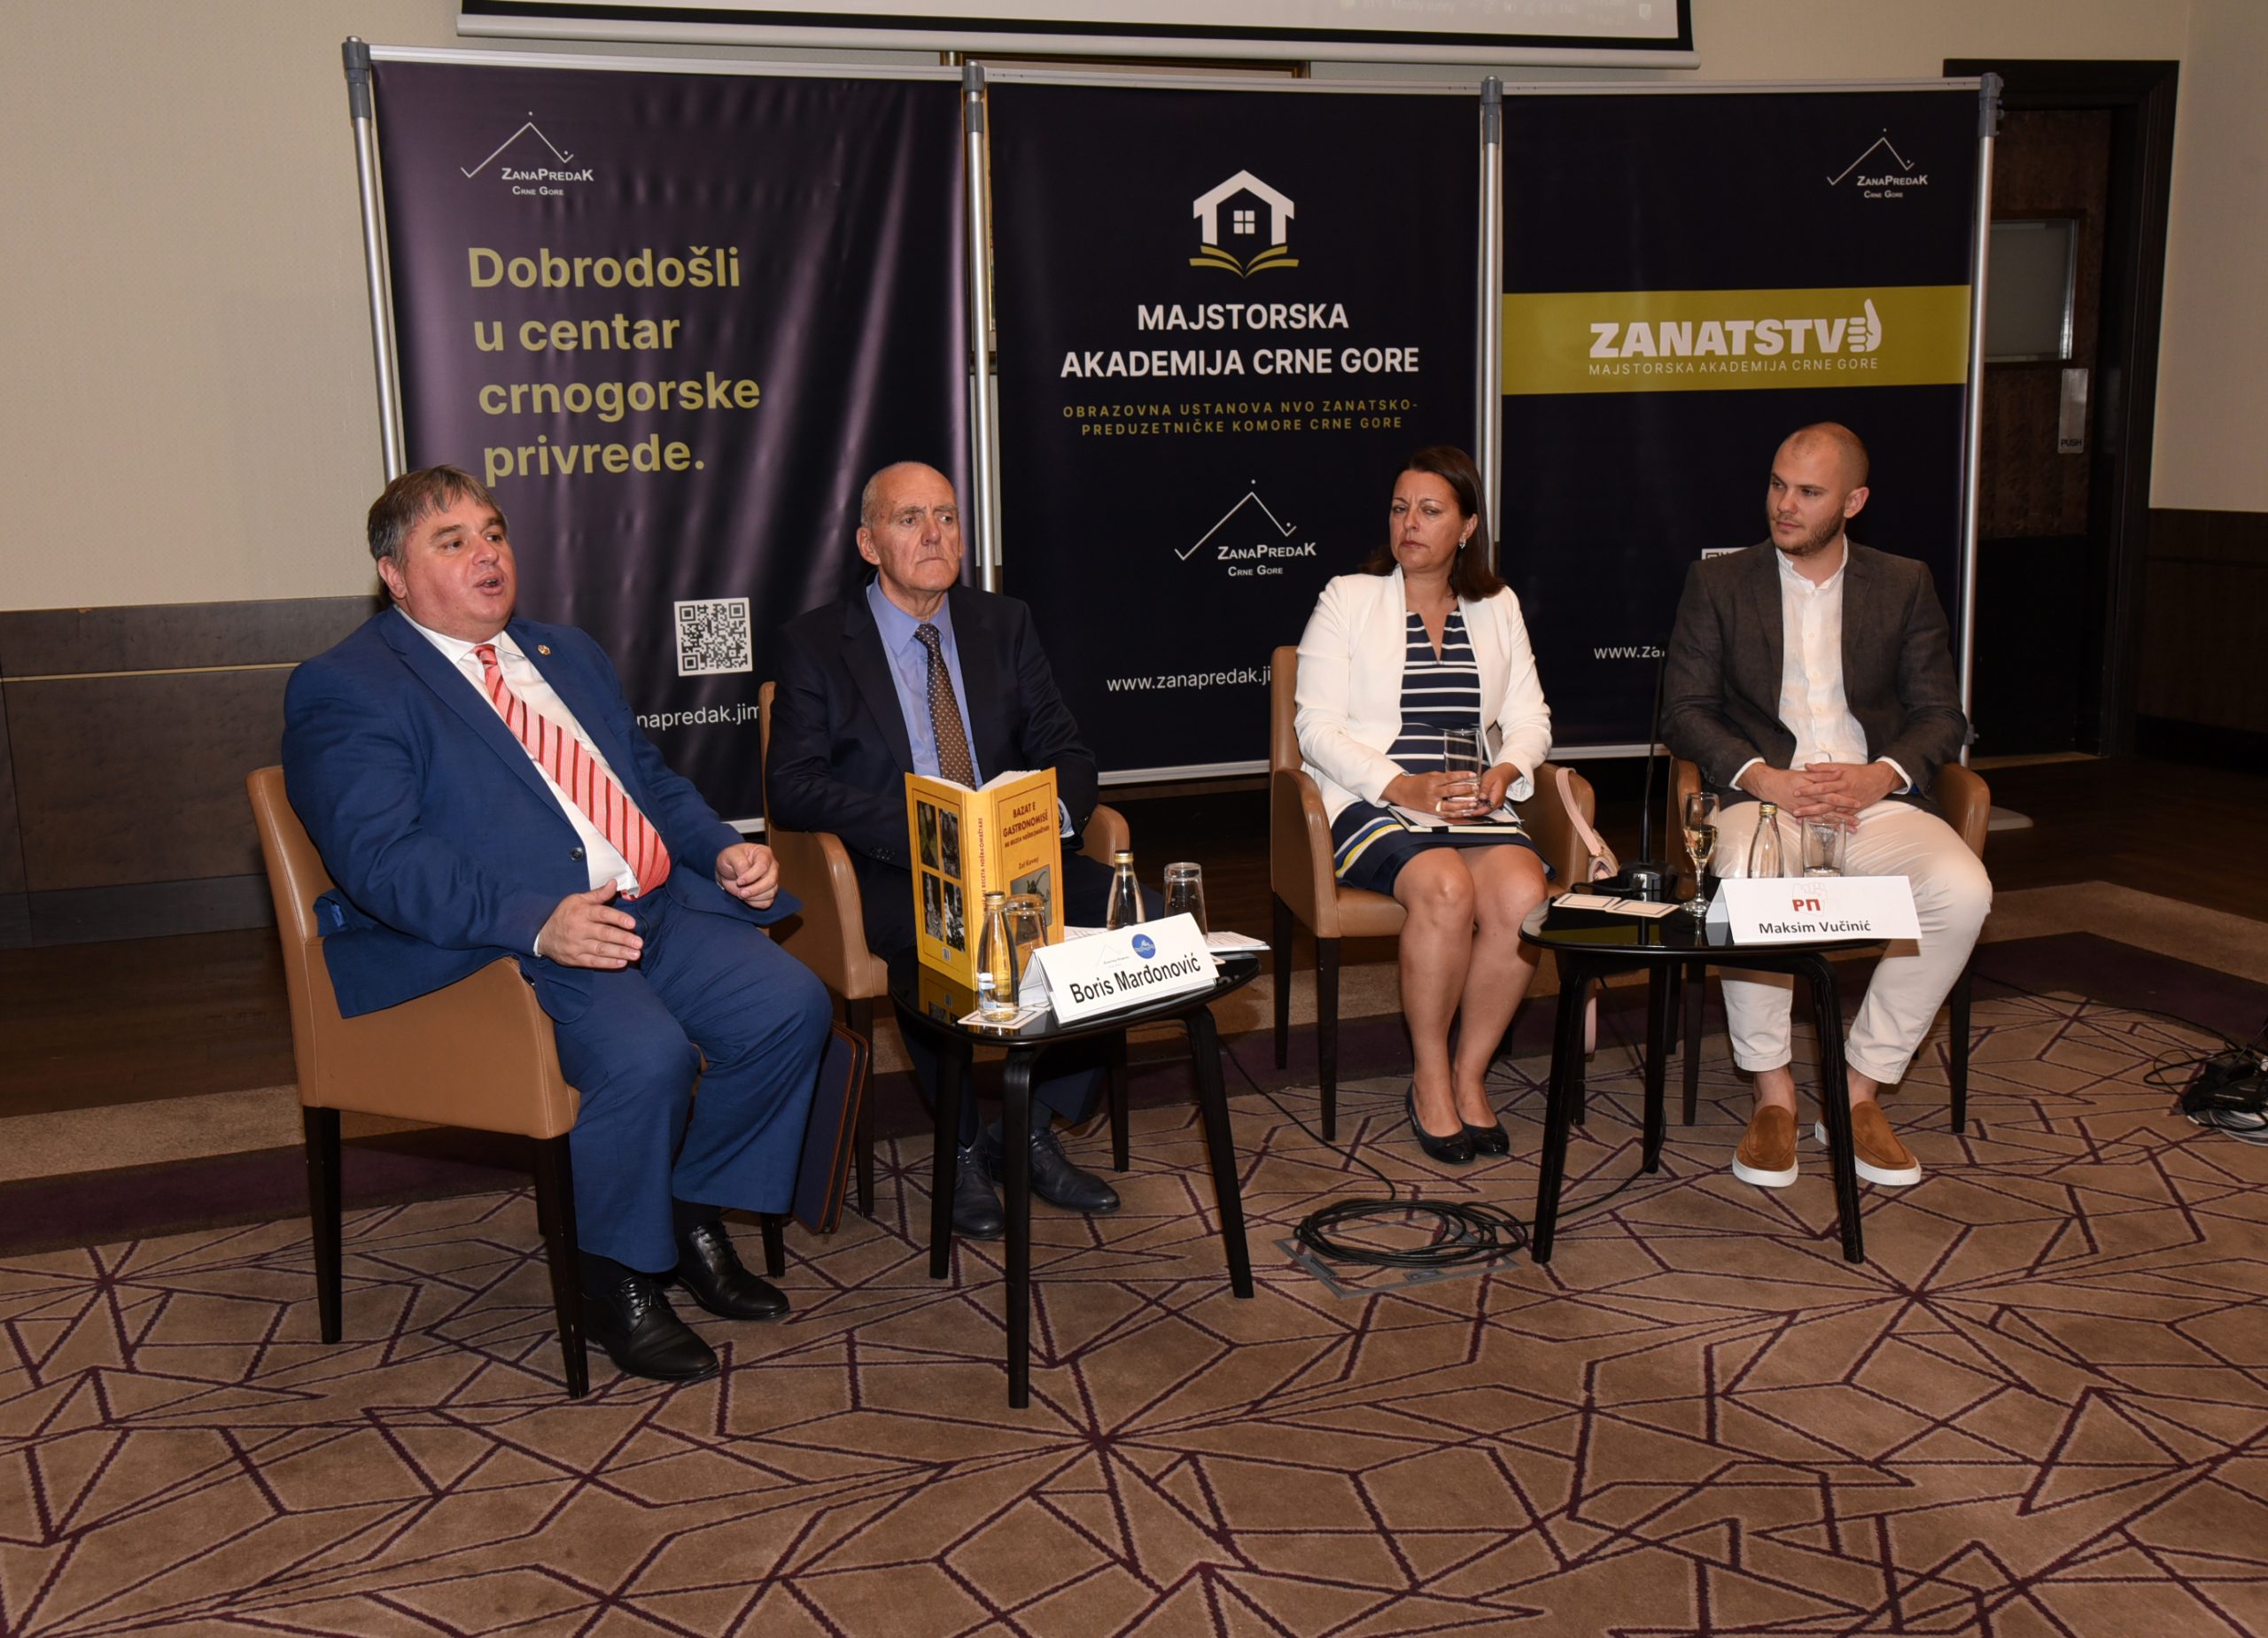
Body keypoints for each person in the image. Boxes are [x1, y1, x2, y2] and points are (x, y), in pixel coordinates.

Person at [283, 467, 832, 1385]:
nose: (486, 553)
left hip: (652, 906)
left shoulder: (563, 651)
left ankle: (686, 1211)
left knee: (789, 1007)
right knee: (645, 1057)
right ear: (395, 575)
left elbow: (645, 781)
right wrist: (539, 922)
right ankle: (612, 1277)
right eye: (452, 541)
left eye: (493, 532)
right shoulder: (349, 686)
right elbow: (383, 860)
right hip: (513, 941)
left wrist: (716, 849)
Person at [766, 462, 1139, 1238]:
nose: (934, 534)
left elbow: (1067, 751)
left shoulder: (1004, 623)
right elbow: (794, 786)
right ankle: (962, 1148)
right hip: (897, 866)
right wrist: (926, 828)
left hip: (1015, 854)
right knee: (943, 941)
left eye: (946, 517)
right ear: (869, 543)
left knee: (1138, 921)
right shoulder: (816, 643)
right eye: (909, 519)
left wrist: (1041, 819)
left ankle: (1028, 1126)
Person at [1662, 422, 1992, 1191]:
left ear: (1854, 501)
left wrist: (1879, 776)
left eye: (1809, 492)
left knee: (1963, 890)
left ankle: (1857, 1086)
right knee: (1745, 876)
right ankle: (1772, 1091)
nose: (1785, 504)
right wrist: (1763, 777)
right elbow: (1684, 712)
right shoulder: (1719, 582)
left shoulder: (1903, 583)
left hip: (1869, 801)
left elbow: (1941, 714)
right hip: (1764, 800)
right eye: (1778, 485)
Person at [1293, 446, 1554, 1165]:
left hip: (1470, 801)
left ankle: (1471, 1073)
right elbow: (1314, 726)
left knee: (1524, 894)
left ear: (1467, 526)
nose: (1410, 522)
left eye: (1430, 510)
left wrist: (1507, 769)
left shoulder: (1498, 606)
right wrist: (1399, 785)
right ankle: (1430, 1076)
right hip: (1373, 799)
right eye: (1400, 507)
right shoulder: (1348, 597)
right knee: (1444, 886)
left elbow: (1530, 717)